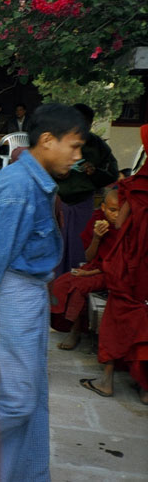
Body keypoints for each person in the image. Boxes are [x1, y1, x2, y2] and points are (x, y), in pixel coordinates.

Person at [0, 103, 88, 482]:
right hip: (13, 297)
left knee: (32, 398)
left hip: (30, 296)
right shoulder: (16, 188)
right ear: (46, 140)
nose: (78, 156)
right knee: (15, 401)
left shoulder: (35, 181)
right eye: (73, 146)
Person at [80, 123, 148, 405]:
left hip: (132, 265)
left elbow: (119, 223)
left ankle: (107, 381)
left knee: (117, 318)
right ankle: (144, 389)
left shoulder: (136, 186)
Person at [51, 189, 120, 350]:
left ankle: (75, 332)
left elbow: (118, 263)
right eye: (112, 210)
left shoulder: (126, 227)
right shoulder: (97, 220)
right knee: (61, 283)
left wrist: (87, 273)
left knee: (78, 287)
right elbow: (89, 257)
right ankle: (65, 324)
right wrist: (96, 237)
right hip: (96, 266)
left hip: (113, 273)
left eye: (120, 210)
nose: (116, 215)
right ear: (102, 207)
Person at [54, 103, 118, 275]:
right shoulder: (56, 140)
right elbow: (40, 168)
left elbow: (112, 173)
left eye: (87, 124)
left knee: (80, 248)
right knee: (55, 251)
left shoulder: (97, 145)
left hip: (83, 205)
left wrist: (94, 172)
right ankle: (55, 291)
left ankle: (77, 288)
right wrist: (57, 173)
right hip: (56, 204)